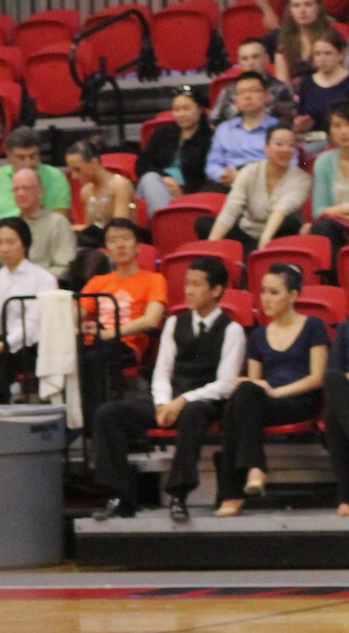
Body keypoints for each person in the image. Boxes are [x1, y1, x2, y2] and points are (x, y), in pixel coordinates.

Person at [90, 258, 245, 522]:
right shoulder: (174, 323)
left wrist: (181, 401)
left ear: (216, 290)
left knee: (192, 413)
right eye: (187, 284)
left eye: (197, 284)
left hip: (204, 400)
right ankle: (120, 497)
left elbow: (225, 384)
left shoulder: (232, 330)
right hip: (169, 397)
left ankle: (178, 496)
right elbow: (162, 370)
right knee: (109, 414)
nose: (189, 290)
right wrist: (163, 403)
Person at [215, 264, 328, 514]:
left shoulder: (313, 326)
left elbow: (317, 378)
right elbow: (255, 384)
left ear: (293, 296)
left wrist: (276, 392)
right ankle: (253, 469)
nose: (265, 298)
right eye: (263, 291)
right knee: (241, 394)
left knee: (235, 408)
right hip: (264, 403)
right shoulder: (258, 335)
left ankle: (233, 492)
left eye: (274, 292)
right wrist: (251, 385)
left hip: (299, 400)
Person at [0, 217, 58, 403]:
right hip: (1, 344)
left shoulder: (44, 279)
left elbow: (34, 324)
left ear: (24, 244)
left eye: (10, 242)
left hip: (33, 346)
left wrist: (4, 345)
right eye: (0, 243)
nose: (4, 248)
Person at [78, 220, 168, 409]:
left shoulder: (154, 280)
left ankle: (93, 420)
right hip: (93, 341)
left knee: (93, 359)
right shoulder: (98, 282)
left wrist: (112, 333)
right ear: (106, 250)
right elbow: (77, 314)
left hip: (126, 344)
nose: (120, 245)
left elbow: (151, 320)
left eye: (126, 238)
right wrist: (78, 326)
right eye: (113, 240)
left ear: (138, 246)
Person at [201, 123, 310, 253]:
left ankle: (254, 255)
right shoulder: (250, 171)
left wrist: (262, 248)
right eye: (279, 144)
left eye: (291, 145)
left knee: (289, 222)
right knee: (203, 223)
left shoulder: (302, 179)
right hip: (248, 234)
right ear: (266, 147)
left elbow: (280, 210)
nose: (285, 149)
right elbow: (231, 208)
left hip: (279, 235)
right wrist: (211, 245)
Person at [0, 128, 71, 245]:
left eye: (33, 156)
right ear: (9, 155)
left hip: (39, 240)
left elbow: (60, 220)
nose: (28, 163)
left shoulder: (55, 177)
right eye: (21, 158)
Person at [0, 168, 77, 285]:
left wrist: (29, 282)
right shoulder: (6, 226)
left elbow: (65, 267)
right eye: (16, 189)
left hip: (43, 288)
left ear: (40, 191)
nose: (20, 193)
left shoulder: (58, 223)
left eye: (26, 188)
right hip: (5, 290)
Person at [135, 88, 214, 218]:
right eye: (176, 110)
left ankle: (164, 222)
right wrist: (164, 178)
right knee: (149, 179)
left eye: (186, 109)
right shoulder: (162, 134)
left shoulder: (210, 139)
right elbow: (142, 165)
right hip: (155, 186)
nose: (181, 114)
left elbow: (210, 177)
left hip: (189, 194)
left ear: (200, 109)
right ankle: (166, 221)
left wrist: (182, 190)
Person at [205, 71, 284, 186]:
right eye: (241, 92)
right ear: (235, 100)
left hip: (266, 185)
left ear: (267, 96)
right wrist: (222, 175)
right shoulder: (224, 129)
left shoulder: (280, 128)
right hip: (229, 184)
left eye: (253, 90)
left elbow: (289, 164)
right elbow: (212, 164)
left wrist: (245, 177)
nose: (247, 96)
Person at [65, 136, 133, 248]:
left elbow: (119, 227)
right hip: (97, 247)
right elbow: (89, 230)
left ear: (94, 162)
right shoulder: (85, 192)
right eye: (71, 170)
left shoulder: (120, 185)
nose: (74, 176)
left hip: (120, 245)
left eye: (77, 169)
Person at [209, 40, 295, 125]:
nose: (250, 63)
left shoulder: (280, 89)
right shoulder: (229, 89)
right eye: (245, 59)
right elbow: (214, 120)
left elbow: (289, 121)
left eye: (255, 57)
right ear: (239, 62)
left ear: (267, 59)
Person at [271, 0, 340, 87]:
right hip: (294, 95)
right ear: (290, 10)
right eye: (296, 6)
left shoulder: (332, 38)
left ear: (318, 7)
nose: (302, 11)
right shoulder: (284, 43)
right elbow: (283, 84)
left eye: (308, 5)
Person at [293, 33, 349, 141]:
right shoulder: (307, 84)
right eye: (318, 54)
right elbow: (301, 114)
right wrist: (301, 126)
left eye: (328, 53)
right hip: (314, 139)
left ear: (340, 55)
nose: (322, 59)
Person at [320, 311, 349, 516]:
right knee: (332, 378)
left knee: (333, 415)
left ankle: (346, 497)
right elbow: (335, 370)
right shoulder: (346, 327)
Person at [309, 104, 349, 251]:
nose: (344, 131)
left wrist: (335, 210)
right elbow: (319, 211)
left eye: (348, 124)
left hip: (339, 219)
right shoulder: (323, 161)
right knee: (323, 226)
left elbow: (327, 211)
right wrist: (345, 208)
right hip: (339, 227)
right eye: (337, 126)